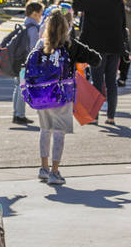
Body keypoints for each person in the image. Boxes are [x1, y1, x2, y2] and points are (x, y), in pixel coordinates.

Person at [29, 9, 100, 184]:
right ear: (66, 27)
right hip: (62, 96)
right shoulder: (70, 45)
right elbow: (96, 59)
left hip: (42, 95)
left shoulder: (40, 45)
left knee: (45, 130)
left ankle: (43, 168)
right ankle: (55, 171)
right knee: (59, 133)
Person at [73, 0, 128, 125]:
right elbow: (123, 23)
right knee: (111, 81)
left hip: (97, 46)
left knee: (97, 81)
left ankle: (95, 116)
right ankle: (111, 117)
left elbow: (76, 5)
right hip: (115, 45)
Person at [10, 0, 44, 125]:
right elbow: (34, 48)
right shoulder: (33, 28)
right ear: (34, 14)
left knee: (17, 87)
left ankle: (17, 113)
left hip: (17, 61)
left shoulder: (24, 25)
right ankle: (19, 115)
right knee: (22, 89)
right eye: (40, 13)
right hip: (26, 62)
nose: (41, 16)